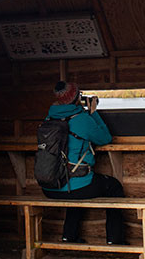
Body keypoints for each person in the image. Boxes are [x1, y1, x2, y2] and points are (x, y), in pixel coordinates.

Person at [40, 81, 126, 245]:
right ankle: (115, 240)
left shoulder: (49, 118)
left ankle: (69, 236)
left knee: (73, 184)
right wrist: (93, 112)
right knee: (113, 186)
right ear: (76, 98)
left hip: (50, 187)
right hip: (75, 187)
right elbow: (105, 138)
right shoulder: (81, 119)